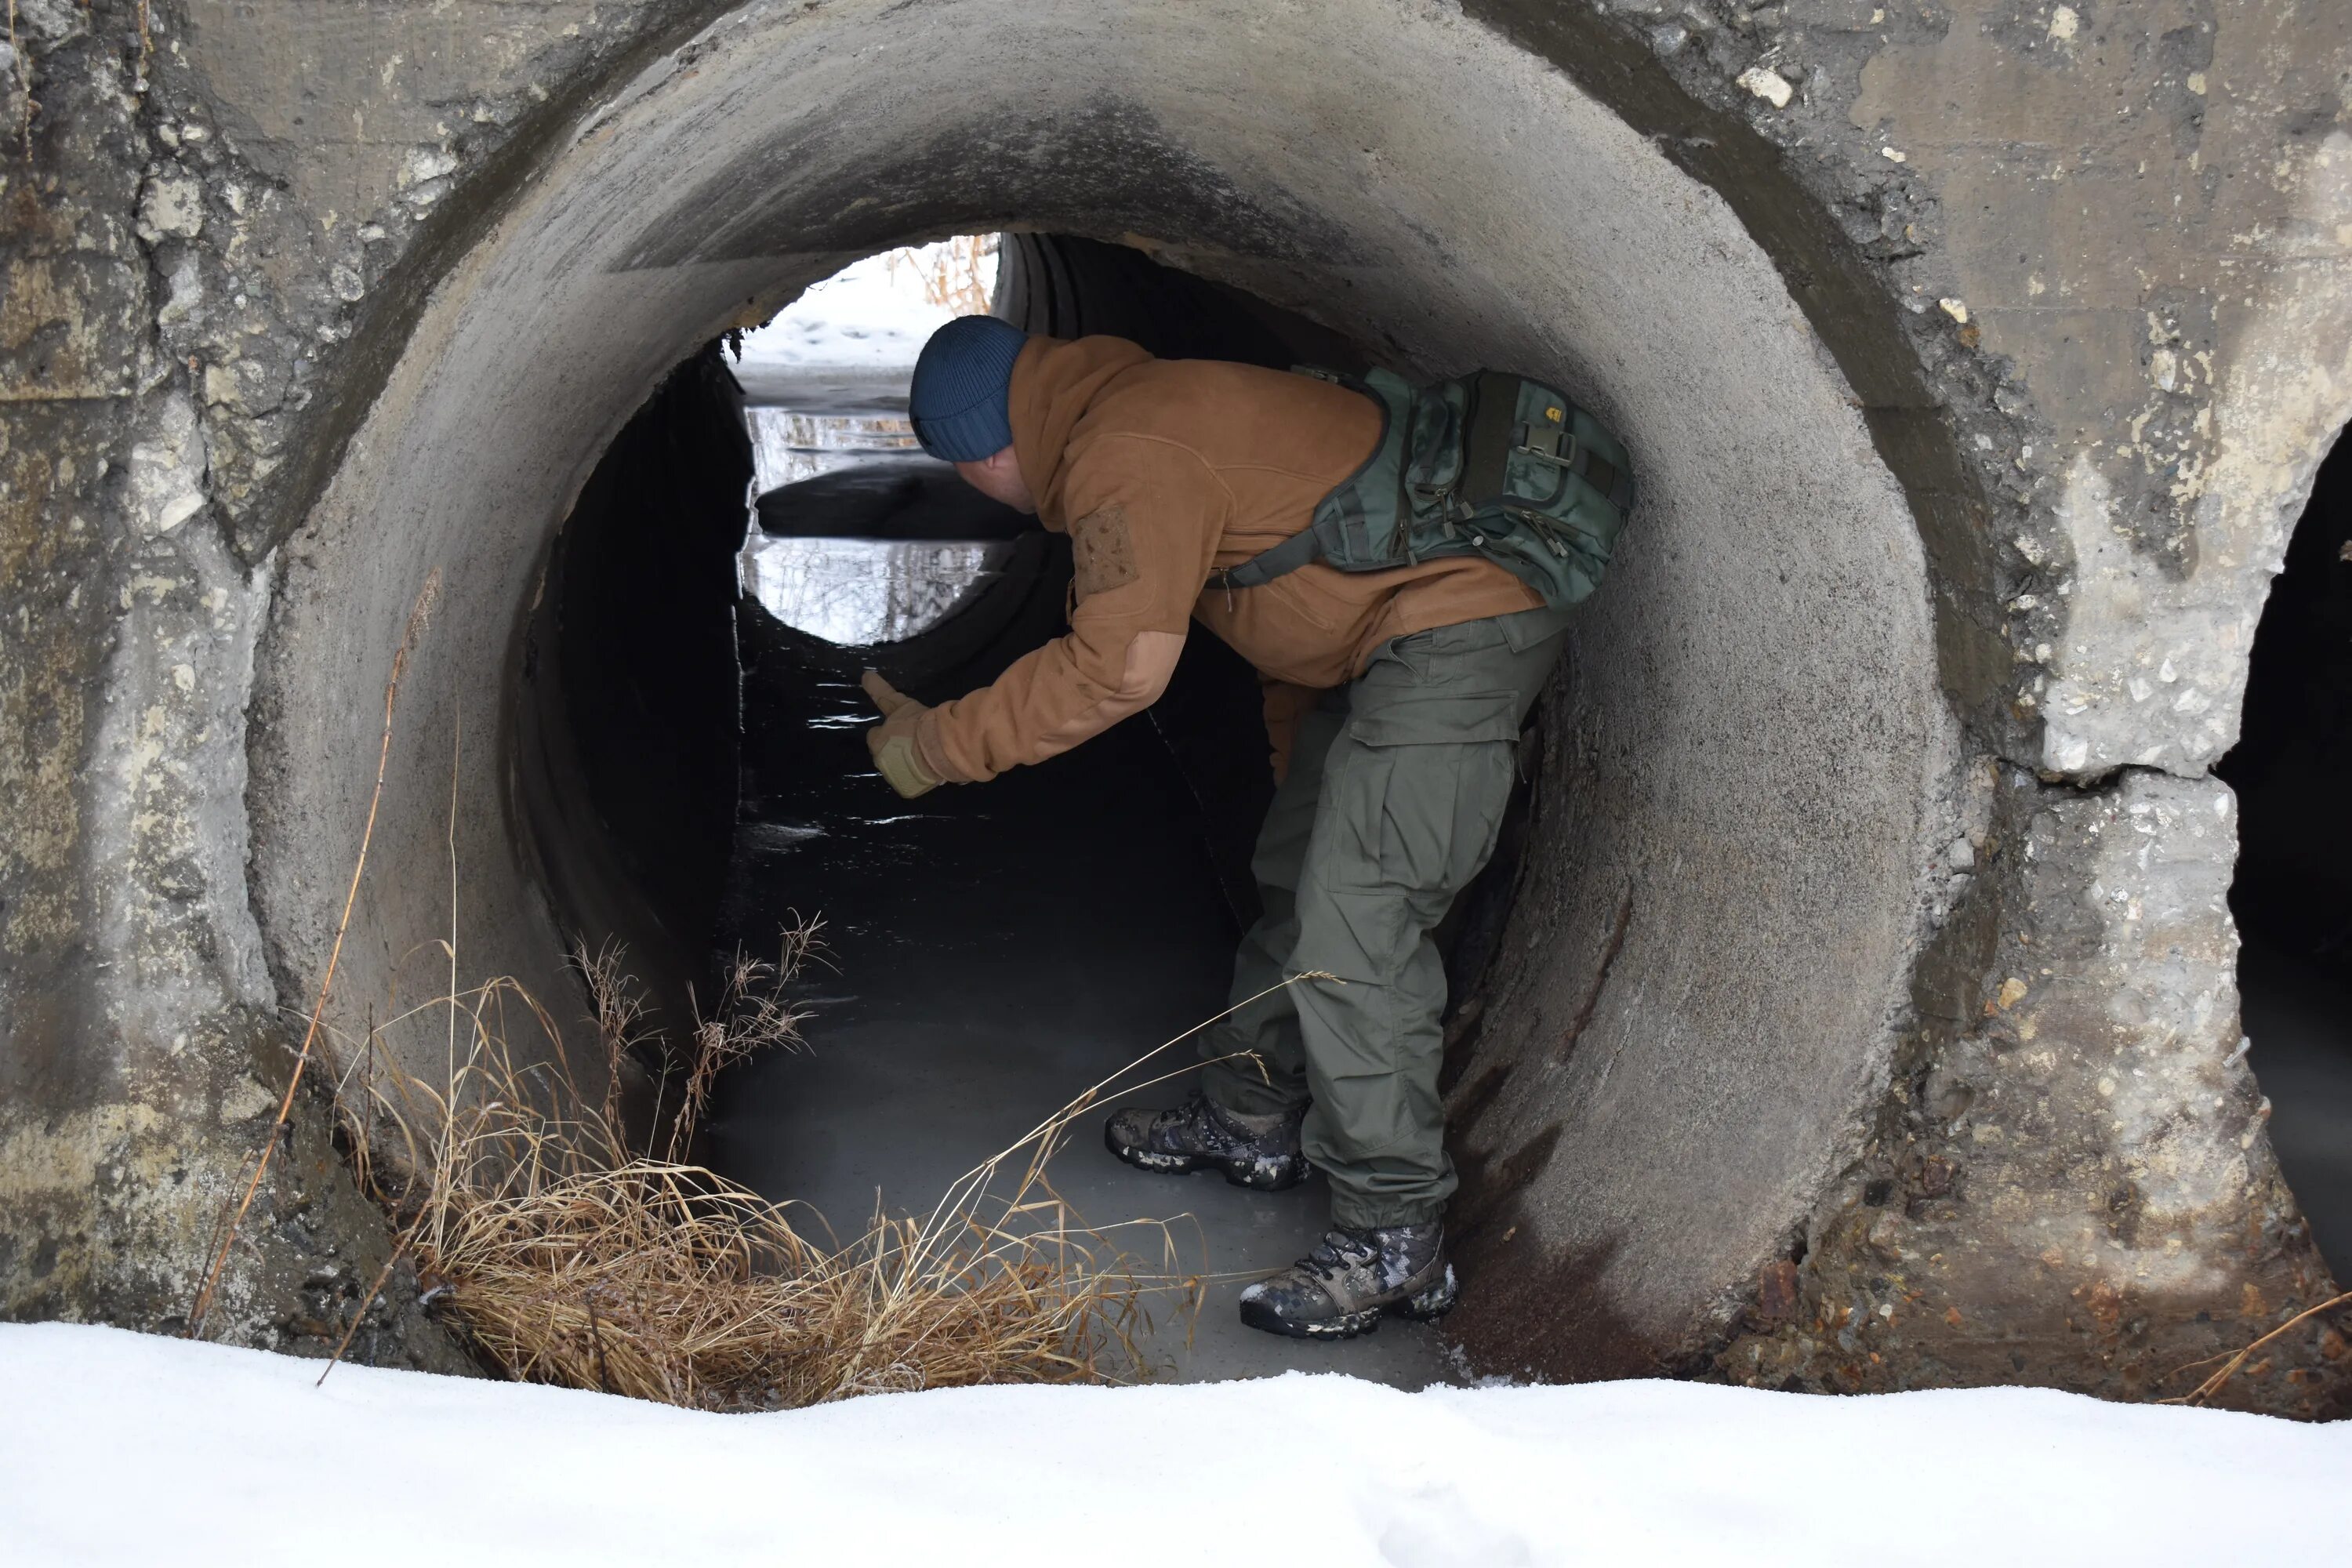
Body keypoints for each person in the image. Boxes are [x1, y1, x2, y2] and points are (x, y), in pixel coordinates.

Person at [862, 314, 1572, 1340]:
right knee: (1302, 870)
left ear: (986, 455)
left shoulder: (1125, 456)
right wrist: (1301, 784)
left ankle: (1393, 1235)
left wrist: (937, 746)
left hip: (1457, 620)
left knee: (1356, 920)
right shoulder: (1125, 408)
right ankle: (1251, 1116)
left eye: (965, 472)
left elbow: (1116, 669)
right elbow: (1292, 584)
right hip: (1380, 627)